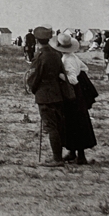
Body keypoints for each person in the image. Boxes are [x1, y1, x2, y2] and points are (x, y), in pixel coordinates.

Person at [49, 33, 98, 165]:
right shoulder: (72, 57)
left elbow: (72, 80)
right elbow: (84, 68)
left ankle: (80, 156)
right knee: (76, 123)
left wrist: (59, 75)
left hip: (72, 95)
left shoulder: (67, 59)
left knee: (74, 123)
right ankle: (74, 152)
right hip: (78, 94)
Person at [27, 26, 67, 167]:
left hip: (45, 95)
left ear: (37, 40)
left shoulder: (40, 56)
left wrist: (32, 87)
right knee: (57, 125)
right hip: (57, 93)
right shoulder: (56, 54)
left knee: (51, 127)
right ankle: (58, 156)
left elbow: (35, 77)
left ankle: (57, 159)